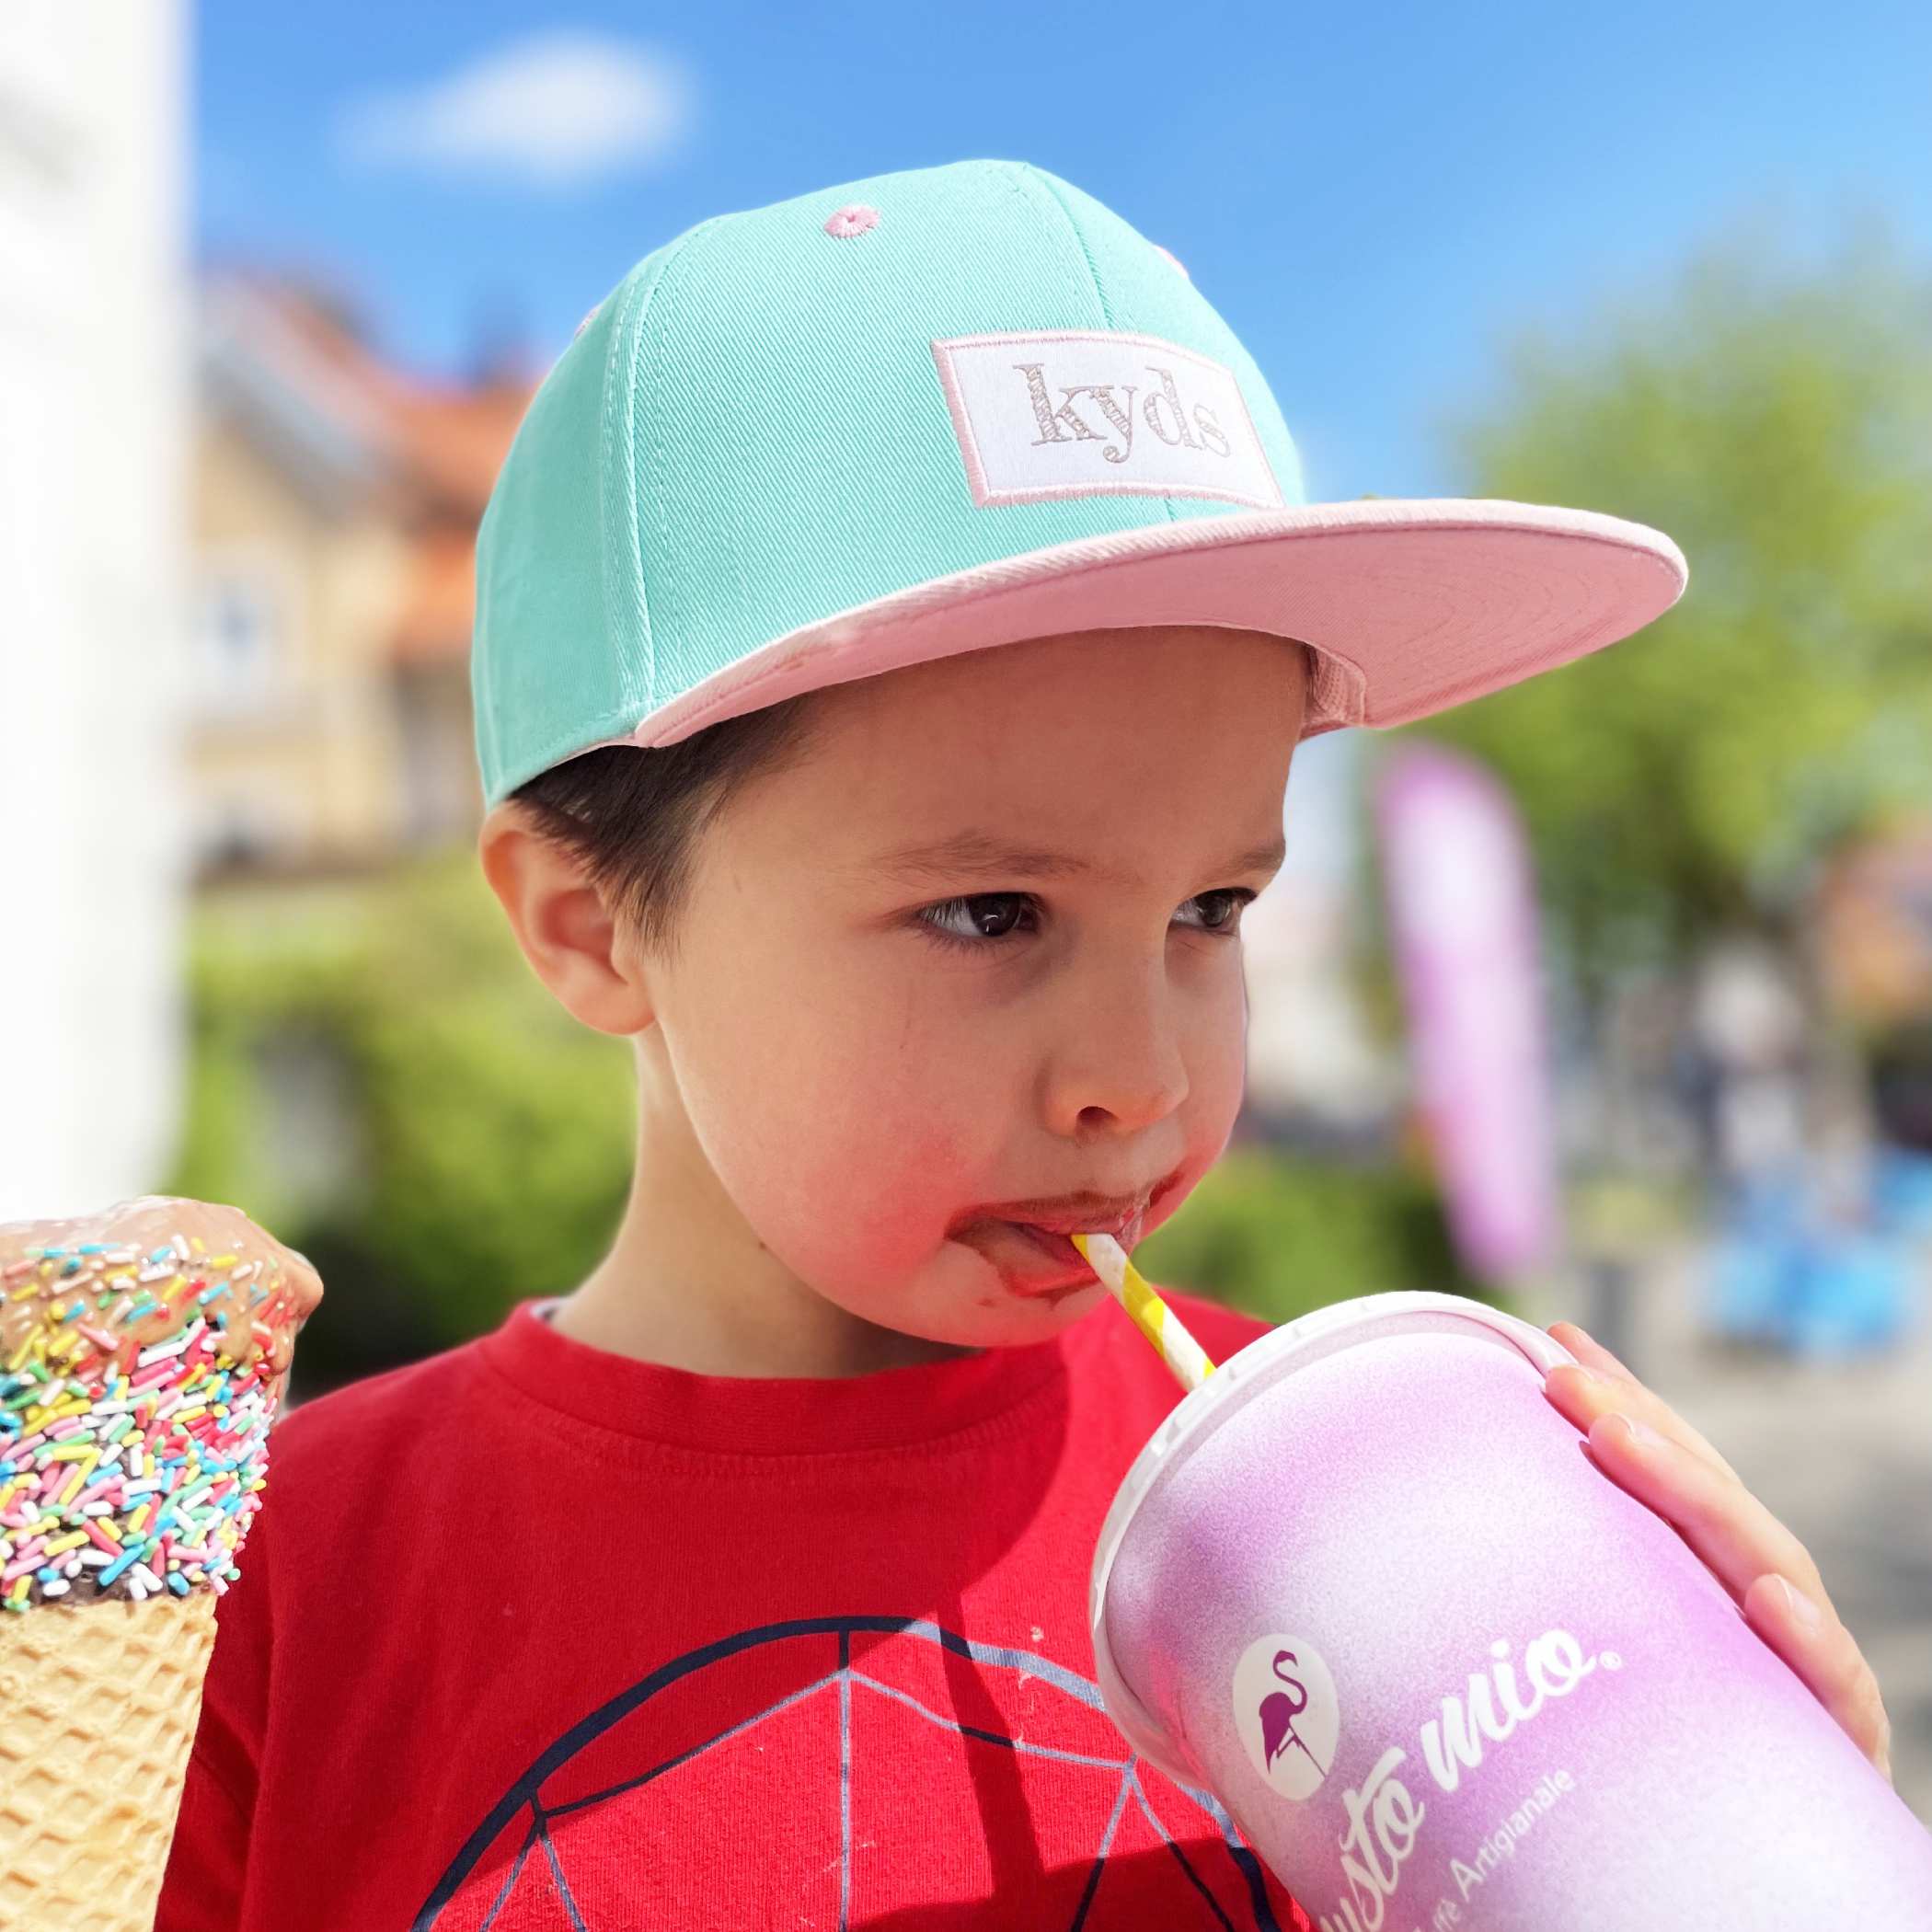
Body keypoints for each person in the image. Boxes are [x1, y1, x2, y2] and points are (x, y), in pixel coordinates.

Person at [155, 159, 1892, 1930]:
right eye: (992, 914)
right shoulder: (263, 1613)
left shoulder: (1399, 1520)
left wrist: (1750, 1844)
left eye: (1212, 908)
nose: (1137, 1077)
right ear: (589, 920)